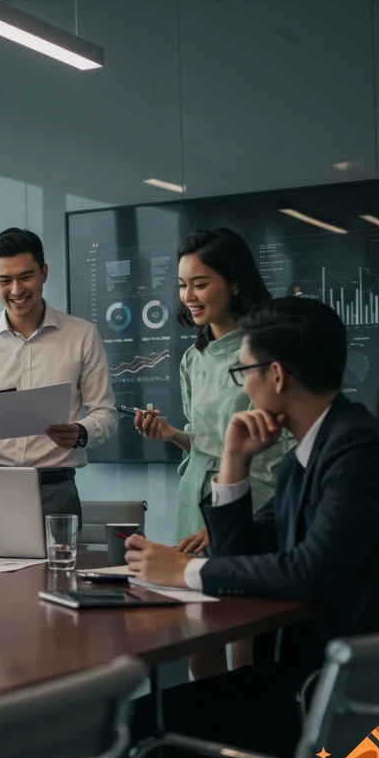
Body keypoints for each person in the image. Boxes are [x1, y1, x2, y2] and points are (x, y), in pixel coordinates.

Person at [123, 298, 379, 758]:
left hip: (353, 705)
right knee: (130, 722)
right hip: (312, 676)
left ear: (276, 374)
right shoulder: (310, 452)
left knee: (136, 743)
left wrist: (185, 571)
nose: (243, 386)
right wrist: (233, 462)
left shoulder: (359, 452)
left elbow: (309, 571)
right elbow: (247, 553)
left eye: (244, 370)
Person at [133, 229, 294, 678]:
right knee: (195, 629)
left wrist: (227, 518)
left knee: (241, 626)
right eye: (183, 285)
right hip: (196, 496)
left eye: (200, 283)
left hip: (252, 495)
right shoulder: (193, 357)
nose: (189, 297)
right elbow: (207, 442)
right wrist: (173, 435)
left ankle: (242, 729)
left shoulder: (263, 350)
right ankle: (204, 737)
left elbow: (279, 444)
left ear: (235, 282)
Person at [0, 227, 118, 517]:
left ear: (44, 272)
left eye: (26, 276)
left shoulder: (83, 335)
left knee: (61, 564)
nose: (16, 290)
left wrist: (81, 432)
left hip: (56, 491)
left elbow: (106, 412)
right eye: (5, 280)